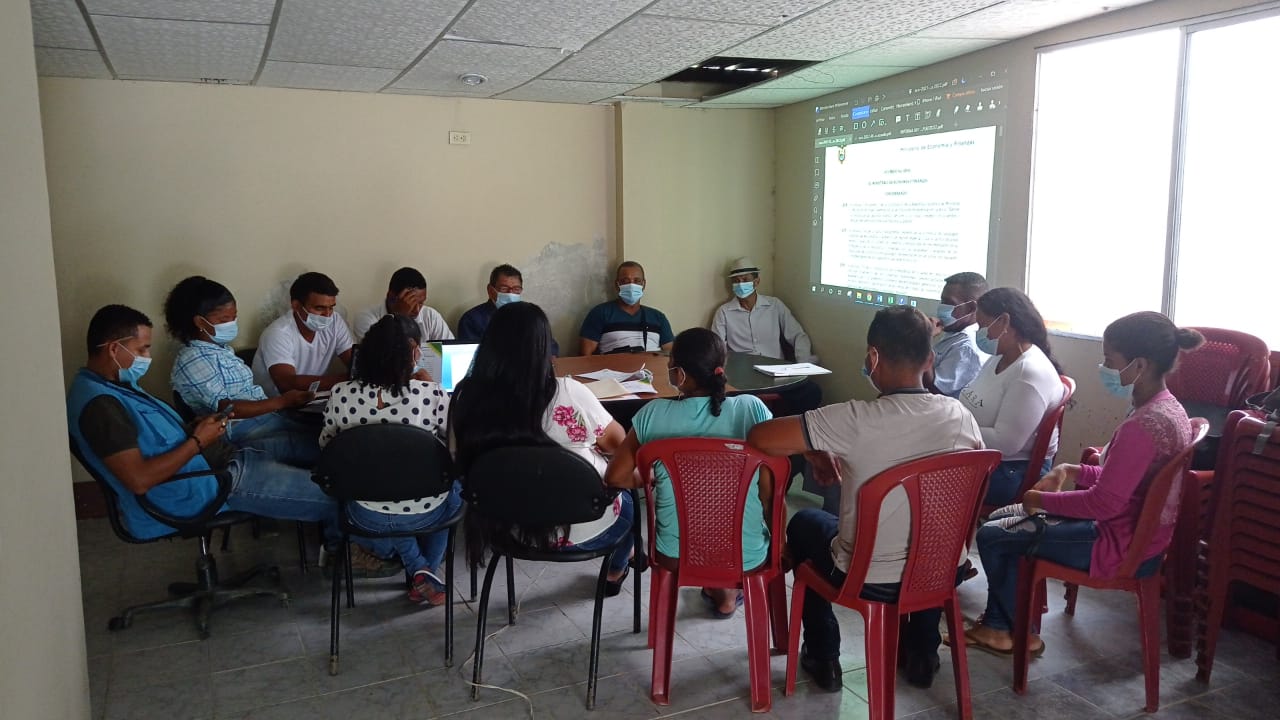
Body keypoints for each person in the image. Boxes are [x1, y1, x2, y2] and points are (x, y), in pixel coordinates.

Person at [747, 306, 983, 692]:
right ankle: (922, 653)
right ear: (929, 360)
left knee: (805, 523)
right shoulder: (960, 415)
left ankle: (823, 656)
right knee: (929, 538)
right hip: (944, 569)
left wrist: (813, 450)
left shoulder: (853, 419)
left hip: (868, 576)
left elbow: (760, 436)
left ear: (873, 357)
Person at [962, 312, 1201, 656]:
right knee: (1005, 520)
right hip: (1135, 534)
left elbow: (1104, 503)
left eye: (1110, 360)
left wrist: (1039, 501)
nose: (1104, 367)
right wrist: (1070, 470)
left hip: (1115, 542)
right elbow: (1124, 479)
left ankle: (1007, 630)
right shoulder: (1169, 408)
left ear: (1140, 365)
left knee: (993, 534)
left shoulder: (1143, 426)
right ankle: (1009, 627)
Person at [66, 305, 340, 543]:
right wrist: (197, 441)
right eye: (142, 349)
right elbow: (139, 480)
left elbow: (150, 439)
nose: (147, 356)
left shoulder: (115, 387)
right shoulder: (100, 406)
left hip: (214, 464)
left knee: (321, 450)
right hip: (202, 489)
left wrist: (194, 428)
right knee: (334, 496)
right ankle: (345, 551)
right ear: (114, 349)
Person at [451, 302, 633, 595]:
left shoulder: (465, 396)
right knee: (627, 494)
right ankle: (615, 571)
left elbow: (458, 459)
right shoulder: (568, 391)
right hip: (581, 526)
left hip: (503, 526)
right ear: (543, 347)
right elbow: (617, 443)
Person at [605, 328, 773, 618]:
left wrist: (650, 477)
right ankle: (726, 593)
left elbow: (615, 477)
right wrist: (781, 544)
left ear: (679, 374)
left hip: (675, 554)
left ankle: (719, 589)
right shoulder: (752, 409)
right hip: (747, 555)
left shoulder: (653, 414)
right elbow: (770, 491)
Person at [319, 315, 459, 606]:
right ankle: (423, 572)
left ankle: (419, 571)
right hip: (427, 511)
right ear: (414, 352)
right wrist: (430, 385)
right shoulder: (430, 394)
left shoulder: (340, 395)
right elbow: (455, 444)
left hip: (363, 511)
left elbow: (327, 448)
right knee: (456, 486)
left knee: (385, 489)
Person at [164, 276, 317, 447]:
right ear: (200, 322)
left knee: (324, 427)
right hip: (240, 432)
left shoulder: (222, 350)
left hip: (265, 418)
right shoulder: (192, 359)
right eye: (224, 320)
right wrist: (282, 401)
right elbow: (226, 408)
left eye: (234, 317)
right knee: (318, 444)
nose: (232, 324)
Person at [958, 287, 1065, 507]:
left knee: (924, 482)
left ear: (1004, 321)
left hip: (1009, 472)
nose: (979, 333)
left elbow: (1005, 443)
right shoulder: (1000, 356)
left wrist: (953, 428)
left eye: (982, 326)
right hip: (983, 456)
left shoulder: (1028, 374)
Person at [251, 272, 355, 398]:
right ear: (296, 306)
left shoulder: (335, 322)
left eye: (331, 307)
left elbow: (354, 363)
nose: (327, 315)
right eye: (319, 308)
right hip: (276, 404)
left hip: (313, 399)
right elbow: (287, 384)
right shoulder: (277, 333)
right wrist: (348, 379)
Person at [712, 256, 815, 363]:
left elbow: (798, 335)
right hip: (741, 369)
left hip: (775, 366)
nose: (740, 284)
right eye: (736, 281)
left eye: (745, 280)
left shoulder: (774, 305)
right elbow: (717, 348)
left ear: (756, 281)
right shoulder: (723, 312)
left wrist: (803, 363)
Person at [458, 263, 559, 356]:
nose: (511, 294)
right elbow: (472, 357)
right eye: (504, 289)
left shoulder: (531, 316)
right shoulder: (472, 320)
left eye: (516, 289)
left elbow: (552, 348)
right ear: (490, 290)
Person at [579, 261, 674, 355]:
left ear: (644, 284)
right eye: (625, 281)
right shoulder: (600, 313)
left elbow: (671, 354)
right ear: (617, 285)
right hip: (614, 364)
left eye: (637, 281)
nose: (632, 285)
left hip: (652, 364)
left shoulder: (658, 317)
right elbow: (585, 356)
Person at [925, 271, 990, 398]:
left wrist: (925, 340)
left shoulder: (966, 347)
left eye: (949, 303)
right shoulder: (954, 330)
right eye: (942, 301)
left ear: (971, 308)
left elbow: (935, 389)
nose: (941, 307)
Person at [351, 266, 454, 343]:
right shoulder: (366, 318)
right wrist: (399, 317)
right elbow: (380, 356)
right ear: (391, 297)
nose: (417, 310)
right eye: (411, 303)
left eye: (421, 303)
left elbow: (449, 351)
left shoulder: (431, 316)